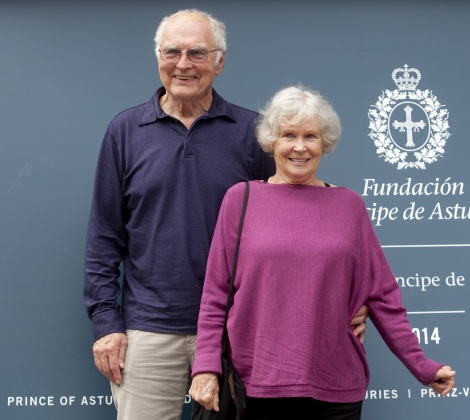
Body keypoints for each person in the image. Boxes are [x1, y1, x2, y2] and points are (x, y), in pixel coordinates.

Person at [83, 9, 369, 420]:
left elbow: (303, 225)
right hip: (148, 331)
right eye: (172, 52)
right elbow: (104, 237)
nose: (183, 64)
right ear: (158, 57)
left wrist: (348, 304)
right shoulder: (125, 132)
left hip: (239, 333)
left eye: (197, 53)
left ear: (219, 62)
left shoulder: (252, 134)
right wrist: (106, 324)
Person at [189, 85, 456, 419]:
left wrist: (422, 366)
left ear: (324, 143)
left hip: (335, 389)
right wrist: (206, 366)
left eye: (311, 136)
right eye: (288, 135)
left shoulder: (349, 206)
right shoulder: (240, 200)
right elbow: (215, 294)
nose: (299, 147)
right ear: (272, 141)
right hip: (257, 387)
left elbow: (384, 297)